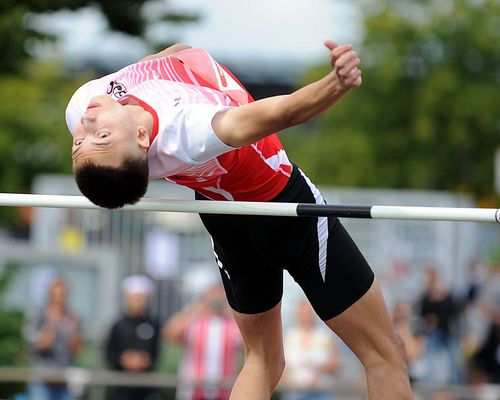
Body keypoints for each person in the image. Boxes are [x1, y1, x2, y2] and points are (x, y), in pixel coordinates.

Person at [66, 40, 412, 399]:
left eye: (81, 141)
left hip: (225, 216)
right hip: (283, 209)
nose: (87, 123)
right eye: (101, 136)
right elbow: (284, 112)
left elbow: (161, 63)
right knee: (385, 353)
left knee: (263, 361)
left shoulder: (83, 105)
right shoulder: (187, 131)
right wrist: (336, 82)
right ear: (141, 138)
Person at [163, 284, 243, 400]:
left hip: (225, 392)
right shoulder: (194, 322)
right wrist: (196, 308)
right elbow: (169, 334)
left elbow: (252, 345)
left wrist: (234, 310)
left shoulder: (233, 325)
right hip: (194, 391)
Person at [26, 278, 83, 400]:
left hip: (66, 379)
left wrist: (72, 331)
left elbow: (78, 350)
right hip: (42, 379)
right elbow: (41, 345)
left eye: (62, 296)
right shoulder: (38, 317)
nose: (59, 300)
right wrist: (52, 324)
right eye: (55, 296)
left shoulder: (73, 317)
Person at [105, 275, 160, 400]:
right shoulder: (118, 325)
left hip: (145, 388)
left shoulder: (153, 324)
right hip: (122, 388)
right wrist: (123, 359)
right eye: (134, 298)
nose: (138, 302)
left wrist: (145, 360)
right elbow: (109, 353)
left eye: (141, 298)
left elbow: (156, 352)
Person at [282, 299, 341, 400]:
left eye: (308, 313)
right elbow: (282, 367)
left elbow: (335, 365)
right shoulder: (290, 337)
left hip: (320, 392)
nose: (305, 316)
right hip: (294, 393)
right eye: (302, 313)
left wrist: (318, 369)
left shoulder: (325, 336)